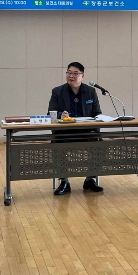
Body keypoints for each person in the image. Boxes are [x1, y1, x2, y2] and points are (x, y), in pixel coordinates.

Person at [48, 62, 103, 195]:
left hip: (86, 133)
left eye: (75, 73)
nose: (71, 76)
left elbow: (97, 113)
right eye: (69, 73)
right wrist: (61, 115)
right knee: (57, 144)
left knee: (99, 144)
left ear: (82, 76)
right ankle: (64, 182)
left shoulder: (90, 91)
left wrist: (98, 122)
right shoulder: (57, 91)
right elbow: (50, 113)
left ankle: (90, 180)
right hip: (65, 133)